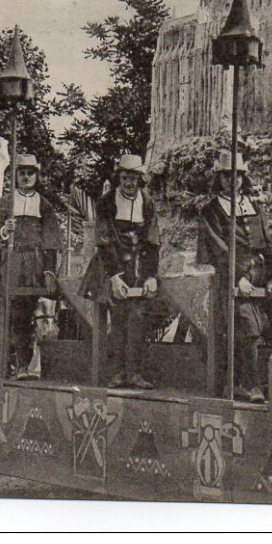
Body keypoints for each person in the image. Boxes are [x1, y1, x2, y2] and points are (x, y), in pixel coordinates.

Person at [197, 150, 272, 403]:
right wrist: (238, 278)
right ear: (219, 179)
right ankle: (248, 384)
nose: (232, 181)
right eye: (226, 176)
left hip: (260, 272)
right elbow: (218, 250)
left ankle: (255, 381)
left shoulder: (254, 206)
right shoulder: (211, 211)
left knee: (270, 324)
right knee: (245, 326)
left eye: (237, 176)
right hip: (230, 276)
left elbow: (269, 242)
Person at [82, 154, 161, 390]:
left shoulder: (147, 202)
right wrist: (115, 277)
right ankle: (117, 372)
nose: (129, 182)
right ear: (119, 178)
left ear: (140, 178)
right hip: (112, 263)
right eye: (125, 177)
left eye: (133, 177)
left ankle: (135, 373)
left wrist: (151, 276)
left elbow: (153, 240)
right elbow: (104, 241)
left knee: (138, 316)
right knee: (117, 319)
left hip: (138, 264)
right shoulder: (107, 201)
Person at [0, 154, 62, 379]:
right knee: (10, 311)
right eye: (22, 173)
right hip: (11, 261)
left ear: (37, 176)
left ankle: (29, 364)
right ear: (15, 176)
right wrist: (3, 230)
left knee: (31, 312)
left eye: (30, 173)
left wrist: (48, 271)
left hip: (35, 265)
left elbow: (51, 241)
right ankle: (12, 363)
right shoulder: (5, 202)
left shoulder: (44, 205)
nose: (26, 177)